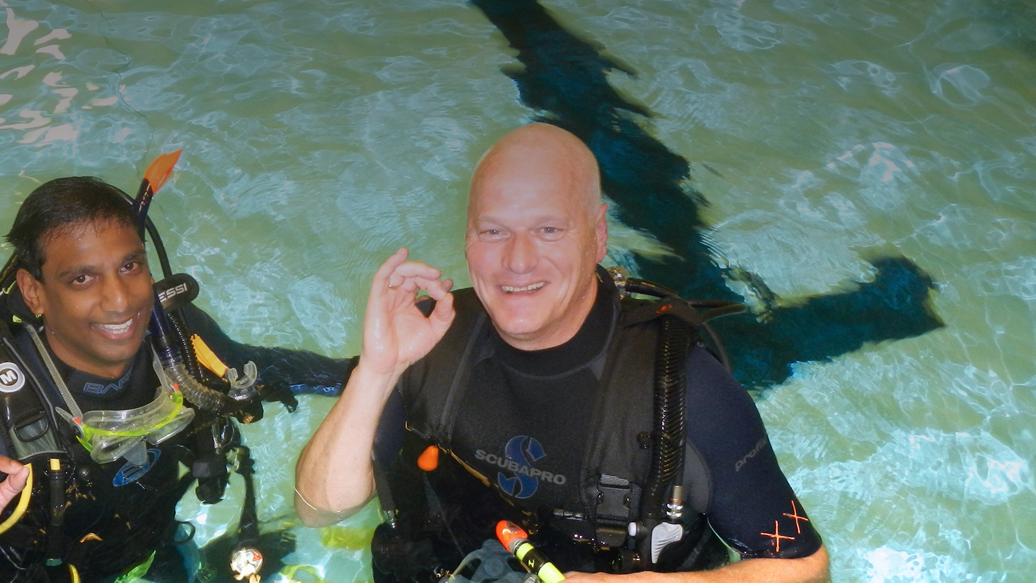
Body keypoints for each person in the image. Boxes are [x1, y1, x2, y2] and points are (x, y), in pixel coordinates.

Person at [294, 123, 828, 581]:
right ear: (467, 240)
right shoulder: (431, 339)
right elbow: (319, 509)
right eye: (494, 231)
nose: (518, 260)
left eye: (548, 229)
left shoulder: (685, 391)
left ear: (597, 237)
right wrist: (378, 370)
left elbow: (806, 567)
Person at [0, 175, 347, 583]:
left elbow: (261, 367)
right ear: (34, 292)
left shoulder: (176, 339)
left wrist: (374, 372)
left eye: (130, 266)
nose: (121, 301)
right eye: (82, 278)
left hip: (154, 538)